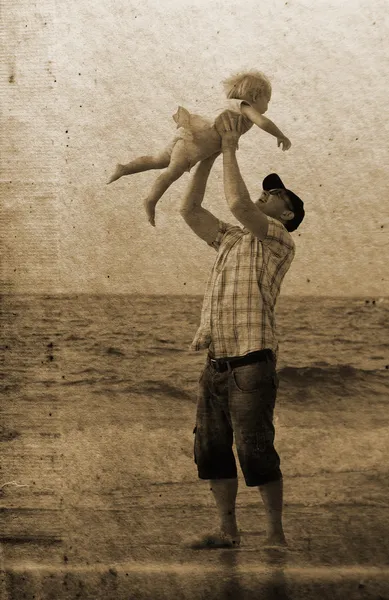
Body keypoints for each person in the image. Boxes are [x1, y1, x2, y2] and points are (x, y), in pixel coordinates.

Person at [180, 110, 305, 549]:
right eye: (265, 192)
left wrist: (231, 145)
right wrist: (208, 156)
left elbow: (238, 204)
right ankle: (227, 531)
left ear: (286, 213)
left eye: (275, 195)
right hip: (217, 361)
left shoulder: (278, 238)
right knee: (211, 449)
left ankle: (275, 535)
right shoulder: (232, 238)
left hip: (253, 359)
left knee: (255, 448)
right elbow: (190, 210)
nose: (265, 196)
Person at [107, 70, 291, 226]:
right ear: (255, 96)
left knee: (158, 160)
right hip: (193, 145)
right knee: (172, 171)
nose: (267, 107)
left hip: (189, 137)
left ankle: (125, 168)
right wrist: (279, 135)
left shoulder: (232, 108)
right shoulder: (244, 107)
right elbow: (263, 122)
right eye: (267, 100)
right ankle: (151, 200)